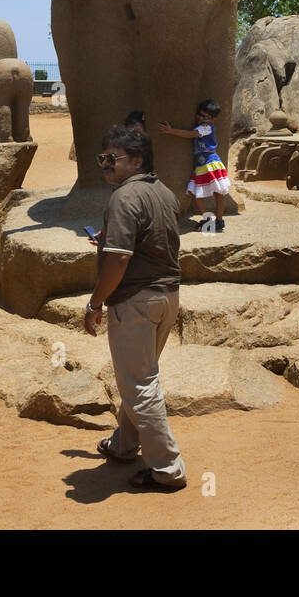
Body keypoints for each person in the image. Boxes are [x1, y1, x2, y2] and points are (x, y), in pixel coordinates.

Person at [85, 124, 187, 492]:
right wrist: (109, 241)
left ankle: (168, 469)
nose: (105, 164)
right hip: (166, 297)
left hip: (136, 301)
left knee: (139, 384)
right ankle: (124, 445)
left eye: (112, 158)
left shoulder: (124, 198)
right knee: (138, 378)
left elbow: (118, 262)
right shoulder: (162, 192)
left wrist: (95, 302)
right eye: (103, 158)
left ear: (138, 160)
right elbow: (150, 242)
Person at [159, 99, 229, 232]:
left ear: (213, 120)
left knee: (218, 191)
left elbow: (190, 135)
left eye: (207, 117)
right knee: (194, 191)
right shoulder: (203, 126)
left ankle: (219, 220)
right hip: (201, 165)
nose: (203, 119)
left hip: (210, 162)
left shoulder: (206, 128)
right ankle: (209, 220)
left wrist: (170, 131)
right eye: (201, 115)